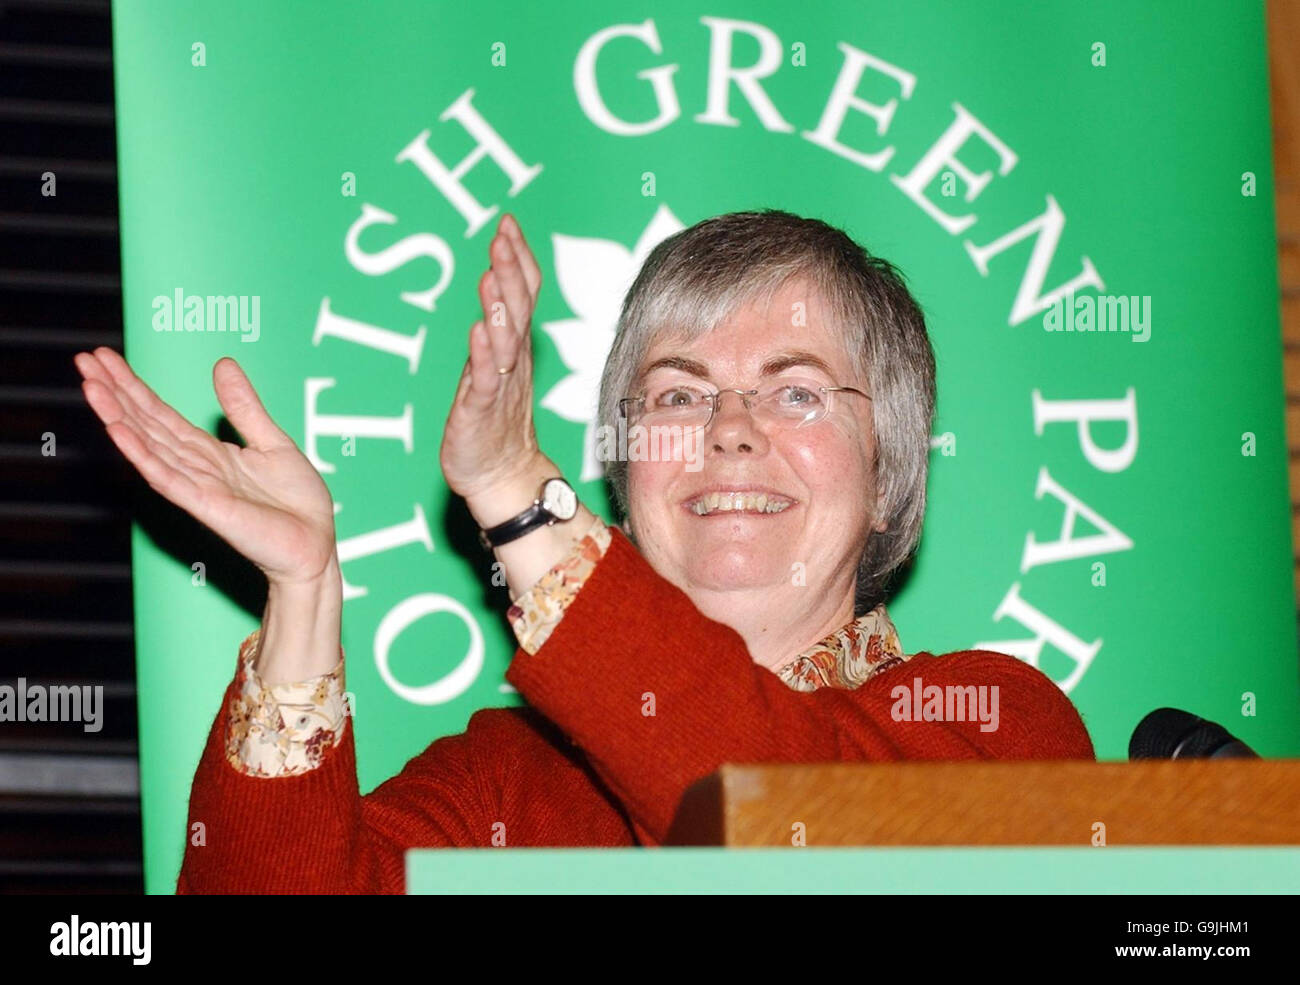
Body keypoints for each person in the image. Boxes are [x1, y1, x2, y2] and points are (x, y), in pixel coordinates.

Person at [74, 209, 1094, 894]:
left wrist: (520, 494)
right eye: (679, 395)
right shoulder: (499, 781)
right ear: (627, 478)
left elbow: (773, 824)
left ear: (888, 476)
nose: (728, 430)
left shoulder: (1002, 726)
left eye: (795, 391)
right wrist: (303, 591)